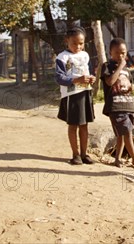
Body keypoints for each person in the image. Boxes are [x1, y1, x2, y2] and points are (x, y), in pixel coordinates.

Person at [100, 37, 134, 170]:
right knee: (127, 132)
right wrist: (120, 66)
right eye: (117, 53)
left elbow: (132, 85)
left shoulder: (127, 70)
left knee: (121, 133)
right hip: (115, 106)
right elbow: (110, 82)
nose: (121, 56)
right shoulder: (107, 66)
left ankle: (117, 159)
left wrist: (132, 87)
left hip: (127, 105)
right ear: (110, 53)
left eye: (123, 53)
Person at [55, 26, 97, 165]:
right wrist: (76, 80)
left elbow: (90, 70)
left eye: (81, 43)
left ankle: (84, 154)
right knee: (73, 125)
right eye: (74, 43)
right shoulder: (62, 57)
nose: (78, 46)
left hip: (85, 93)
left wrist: (92, 78)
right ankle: (75, 154)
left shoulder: (85, 55)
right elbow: (59, 78)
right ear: (67, 41)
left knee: (84, 125)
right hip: (71, 95)